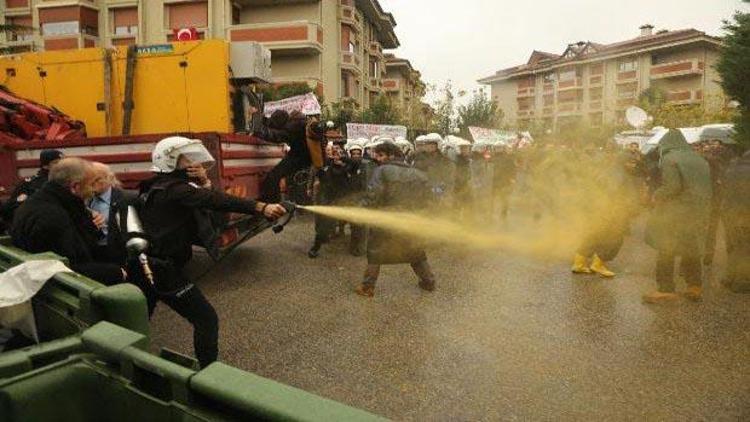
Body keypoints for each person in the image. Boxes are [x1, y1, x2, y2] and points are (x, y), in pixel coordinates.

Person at [137, 136, 286, 367]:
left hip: (151, 265)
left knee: (137, 319)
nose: (192, 164)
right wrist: (261, 207)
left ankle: (126, 360)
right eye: (185, 159)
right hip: (162, 270)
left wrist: (205, 181)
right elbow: (216, 200)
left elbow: (209, 204)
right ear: (169, 161)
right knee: (206, 319)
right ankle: (208, 374)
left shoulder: (161, 186)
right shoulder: (175, 190)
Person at [10, 157, 127, 285]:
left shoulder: (39, 203)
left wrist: (89, 224)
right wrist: (115, 272)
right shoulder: (53, 217)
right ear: (75, 187)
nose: (93, 190)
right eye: (91, 184)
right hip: (59, 294)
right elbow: (67, 271)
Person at [355, 142, 436, 297]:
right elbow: (429, 200)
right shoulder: (417, 173)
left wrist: (360, 210)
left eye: (380, 155)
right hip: (411, 222)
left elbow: (373, 196)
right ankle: (429, 281)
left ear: (391, 155)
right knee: (416, 252)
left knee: (375, 253)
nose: (377, 159)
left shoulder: (382, 171)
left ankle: (367, 287)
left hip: (386, 221)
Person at [643, 129, 712, 304]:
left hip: (676, 213)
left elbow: (672, 187)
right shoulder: (700, 159)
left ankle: (665, 289)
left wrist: (656, 195)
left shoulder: (670, 158)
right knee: (692, 248)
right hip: (698, 211)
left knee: (666, 248)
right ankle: (694, 286)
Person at [253, 109, 325, 203]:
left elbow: (276, 136)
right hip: (305, 156)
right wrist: (261, 118)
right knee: (280, 176)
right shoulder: (298, 122)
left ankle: (271, 204)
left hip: (301, 157)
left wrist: (259, 130)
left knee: (273, 176)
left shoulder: (293, 127)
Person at [307, 144, 350, 258]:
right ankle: (315, 247)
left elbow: (347, 179)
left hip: (340, 200)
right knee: (323, 225)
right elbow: (318, 174)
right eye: (332, 153)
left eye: (337, 153)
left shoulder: (345, 166)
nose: (335, 156)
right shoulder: (324, 165)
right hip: (326, 199)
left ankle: (336, 233)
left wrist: (342, 163)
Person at [1, 149, 64, 226]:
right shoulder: (31, 184)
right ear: (45, 165)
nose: (62, 166)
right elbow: (11, 209)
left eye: (63, 163)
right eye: (56, 163)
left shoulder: (66, 182)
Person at [721, 150, 750, 293]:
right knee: (746, 247)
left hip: (729, 212)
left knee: (734, 245)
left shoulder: (732, 168)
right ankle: (743, 281)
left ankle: (729, 277)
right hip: (745, 214)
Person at [490, 145, 517, 220]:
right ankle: (494, 212)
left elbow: (513, 169)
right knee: (496, 198)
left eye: (500, 148)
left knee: (503, 198)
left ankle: (503, 213)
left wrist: (512, 179)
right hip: (497, 181)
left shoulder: (508, 158)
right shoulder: (494, 158)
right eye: (497, 148)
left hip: (503, 181)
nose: (499, 149)